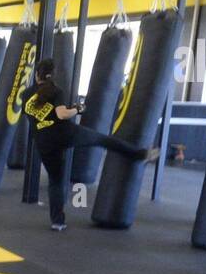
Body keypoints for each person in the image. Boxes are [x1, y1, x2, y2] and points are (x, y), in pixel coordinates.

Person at [21, 58, 154, 231]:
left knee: (55, 181)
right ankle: (140, 154)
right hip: (65, 134)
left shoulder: (26, 94)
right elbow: (61, 115)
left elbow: (34, 116)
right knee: (103, 140)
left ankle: (57, 222)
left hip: (44, 142)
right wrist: (78, 109)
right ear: (52, 75)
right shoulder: (56, 91)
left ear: (36, 75)